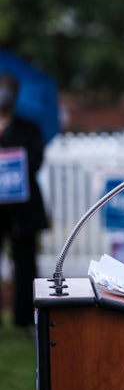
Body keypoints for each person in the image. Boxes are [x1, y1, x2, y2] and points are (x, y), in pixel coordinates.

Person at [0, 73, 49, 332]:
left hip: (24, 209)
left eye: (6, 89)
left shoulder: (29, 128)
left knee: (26, 264)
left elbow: (36, 162)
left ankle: (25, 320)